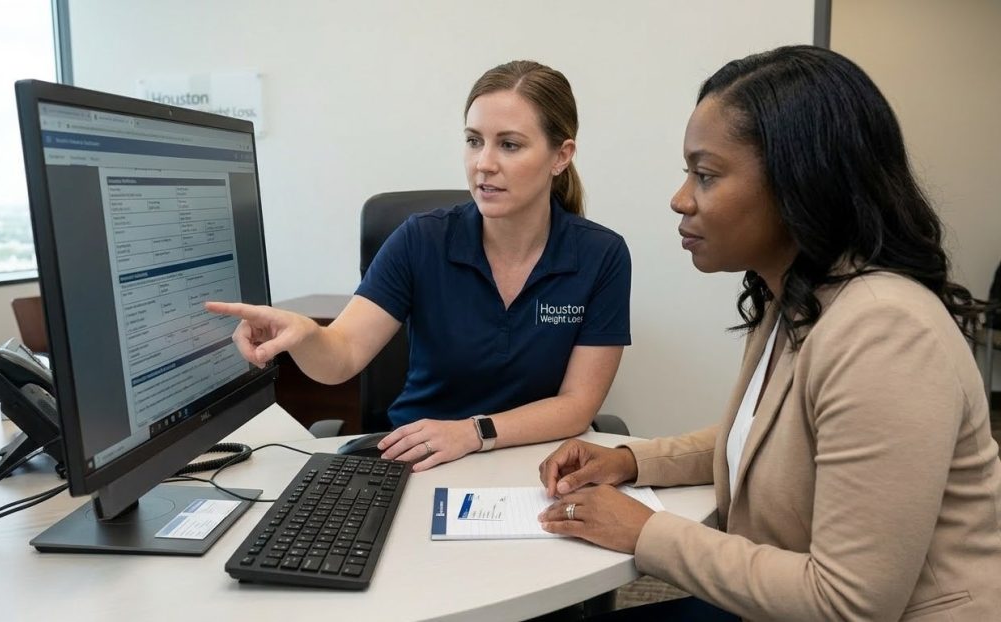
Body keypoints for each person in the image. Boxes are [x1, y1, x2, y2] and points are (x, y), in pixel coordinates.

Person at [537, 45, 1001, 621]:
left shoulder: (887, 332)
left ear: (799, 182)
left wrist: (646, 533)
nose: (680, 199)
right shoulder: (799, 296)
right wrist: (632, 461)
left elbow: (846, 604)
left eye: (705, 175)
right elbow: (768, 441)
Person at [208, 60, 631, 471]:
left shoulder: (601, 255)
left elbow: (577, 405)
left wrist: (472, 432)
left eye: (509, 144)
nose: (484, 162)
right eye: (473, 140)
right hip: (417, 461)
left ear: (561, 156)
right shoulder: (422, 239)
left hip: (536, 465)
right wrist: (303, 335)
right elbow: (343, 356)